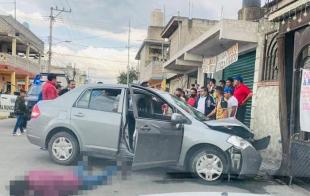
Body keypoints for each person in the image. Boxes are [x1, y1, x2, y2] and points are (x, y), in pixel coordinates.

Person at [9, 159, 117, 196]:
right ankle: (83, 162)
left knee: (98, 180)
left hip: (73, 184)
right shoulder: (31, 177)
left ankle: (113, 168)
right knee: (78, 173)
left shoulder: (39, 185)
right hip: (66, 177)